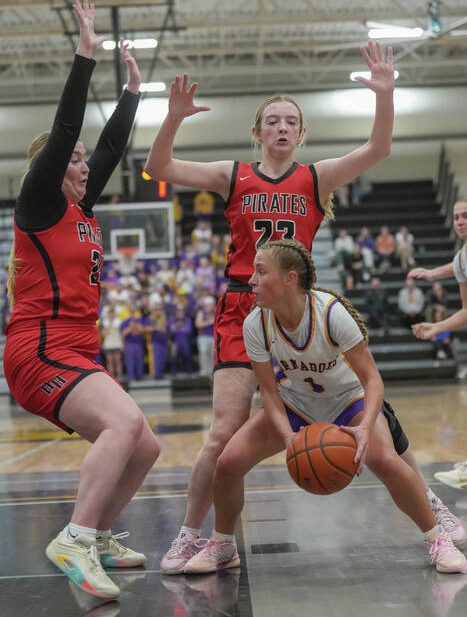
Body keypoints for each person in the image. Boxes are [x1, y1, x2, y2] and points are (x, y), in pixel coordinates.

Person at [144, 41, 397, 573]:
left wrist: (384, 94)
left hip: (303, 314)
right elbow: (158, 165)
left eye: (291, 122)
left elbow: (377, 151)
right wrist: (172, 117)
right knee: (223, 433)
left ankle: (434, 512)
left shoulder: (315, 177)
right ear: (258, 131)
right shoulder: (232, 175)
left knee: (374, 420)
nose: (282, 129)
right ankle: (197, 535)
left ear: (301, 134)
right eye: (273, 121)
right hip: (244, 307)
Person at [182, 239, 467, 575]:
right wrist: (289, 437)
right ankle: (223, 545)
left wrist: (363, 427)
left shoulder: (330, 312)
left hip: (348, 399)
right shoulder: (255, 323)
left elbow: (372, 380)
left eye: (261, 271)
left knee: (384, 460)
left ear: (289, 279)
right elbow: (270, 394)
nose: (252, 280)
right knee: (228, 463)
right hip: (296, 402)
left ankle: (437, 538)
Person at [3, 0, 160, 599]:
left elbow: (110, 150)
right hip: (39, 351)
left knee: (144, 444)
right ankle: (75, 535)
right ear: (51, 166)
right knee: (123, 423)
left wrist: (133, 94)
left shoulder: (82, 207)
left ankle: (94, 537)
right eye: (73, 160)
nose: (83, 165)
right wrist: (85, 55)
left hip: (76, 352)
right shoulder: (39, 205)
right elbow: (68, 129)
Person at [410, 195, 467, 491]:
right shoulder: (462, 256)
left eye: (465, 216)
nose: (459, 221)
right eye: (457, 216)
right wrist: (436, 328)